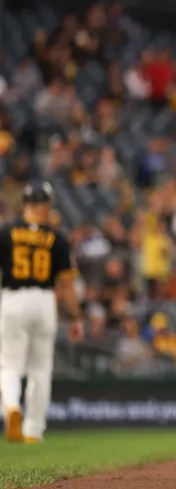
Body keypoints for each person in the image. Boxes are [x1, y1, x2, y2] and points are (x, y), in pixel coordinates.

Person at [0, 181, 84, 443]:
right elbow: (67, 286)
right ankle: (33, 431)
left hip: (13, 298)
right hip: (44, 301)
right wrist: (76, 317)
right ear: (46, 205)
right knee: (40, 369)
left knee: (9, 365)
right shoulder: (57, 238)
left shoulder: (6, 233)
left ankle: (12, 407)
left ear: (25, 204)